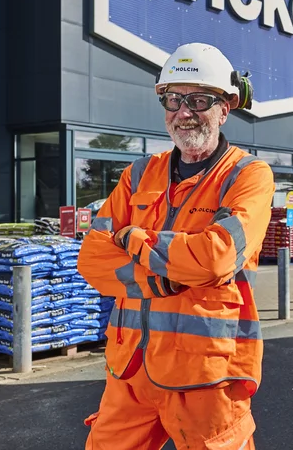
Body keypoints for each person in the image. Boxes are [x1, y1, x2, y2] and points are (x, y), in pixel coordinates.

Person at [77, 42, 275, 450]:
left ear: (226, 106)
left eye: (199, 100)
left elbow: (215, 257)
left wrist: (131, 238)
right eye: (173, 99)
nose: (184, 112)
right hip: (130, 372)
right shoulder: (137, 174)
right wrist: (161, 279)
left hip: (206, 376)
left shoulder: (247, 175)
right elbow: (92, 259)